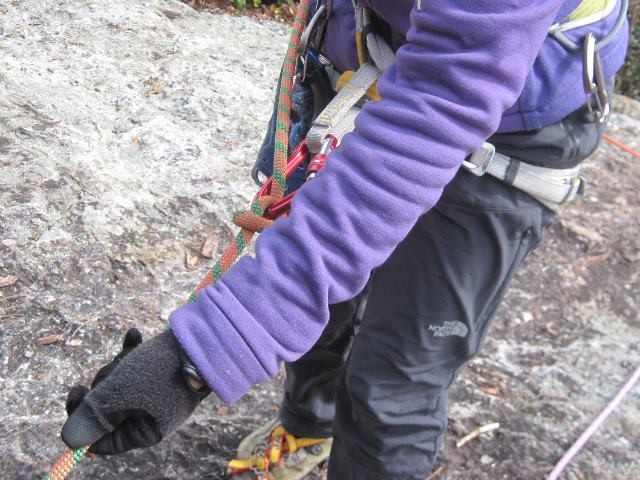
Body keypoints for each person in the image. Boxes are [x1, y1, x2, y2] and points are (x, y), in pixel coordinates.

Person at [60, 1, 629, 479]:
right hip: (369, 48)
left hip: (514, 112)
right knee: (326, 308)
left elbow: (444, 94)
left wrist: (201, 356)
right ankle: (309, 429)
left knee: (394, 380)